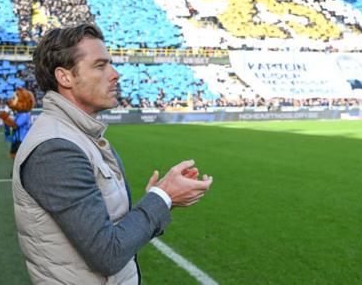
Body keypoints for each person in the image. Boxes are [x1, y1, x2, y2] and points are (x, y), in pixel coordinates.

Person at [12, 23, 213, 284]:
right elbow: (107, 254)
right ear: (65, 77)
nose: (115, 74)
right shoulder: (56, 149)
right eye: (100, 65)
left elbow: (114, 234)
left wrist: (162, 199)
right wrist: (162, 197)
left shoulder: (82, 135)